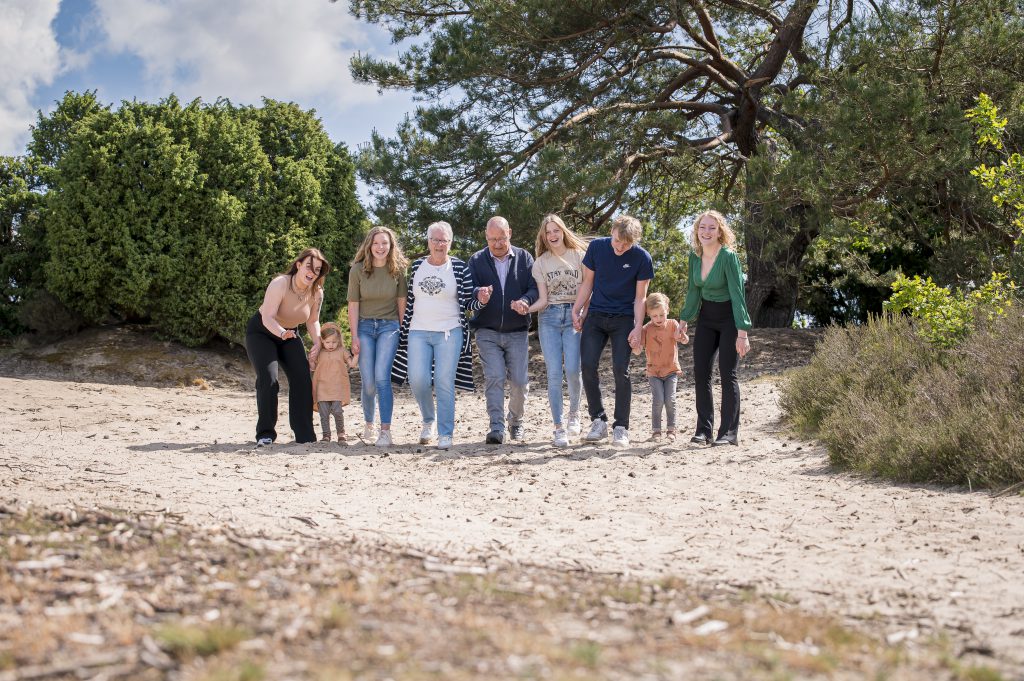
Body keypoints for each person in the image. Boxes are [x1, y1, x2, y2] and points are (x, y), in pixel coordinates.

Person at [391, 221, 484, 450]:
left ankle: (445, 433)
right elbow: (410, 301)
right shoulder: (416, 267)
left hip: (449, 332)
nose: (439, 244)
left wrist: (481, 298)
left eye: (444, 240)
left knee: (444, 381)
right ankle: (428, 419)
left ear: (450, 243)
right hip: (418, 331)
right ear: (428, 242)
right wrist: (404, 329)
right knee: (417, 379)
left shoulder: (460, 267)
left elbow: (468, 302)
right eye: (435, 239)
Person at [571, 215, 654, 448]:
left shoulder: (641, 257)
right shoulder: (597, 247)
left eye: (626, 244)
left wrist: (638, 326)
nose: (620, 247)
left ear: (634, 242)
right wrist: (577, 310)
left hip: (624, 318)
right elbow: (587, 283)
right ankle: (598, 420)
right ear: (612, 232)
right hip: (596, 315)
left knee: (620, 368)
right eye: (617, 241)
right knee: (587, 365)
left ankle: (621, 426)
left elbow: (640, 297)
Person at [678, 210, 752, 446]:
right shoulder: (694, 256)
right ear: (696, 231)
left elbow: (738, 295)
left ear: (720, 231)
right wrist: (684, 319)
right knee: (701, 372)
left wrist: (743, 332)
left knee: (727, 373)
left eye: (712, 227)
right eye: (702, 227)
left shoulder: (728, 256)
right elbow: (693, 290)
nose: (706, 232)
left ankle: (728, 433)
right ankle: (704, 431)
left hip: (729, 317)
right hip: (706, 318)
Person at [244, 248, 330, 446]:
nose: (313, 272)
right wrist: (281, 332)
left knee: (302, 379)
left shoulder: (316, 292)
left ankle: (305, 436)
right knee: (269, 378)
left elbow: (312, 321)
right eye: (309, 266)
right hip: (262, 332)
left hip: (290, 334)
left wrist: (317, 343)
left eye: (317, 269)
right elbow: (267, 317)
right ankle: (265, 434)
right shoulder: (280, 283)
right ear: (299, 265)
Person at [467, 216, 539, 444]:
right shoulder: (477, 260)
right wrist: (479, 294)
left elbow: (534, 287)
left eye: (501, 238)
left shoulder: (524, 257)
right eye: (492, 239)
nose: (497, 244)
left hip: (517, 330)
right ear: (486, 237)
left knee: (519, 381)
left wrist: (526, 301)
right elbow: (468, 290)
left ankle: (516, 422)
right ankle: (496, 427)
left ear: (510, 233)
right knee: (495, 377)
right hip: (486, 331)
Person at [526, 214, 588, 447]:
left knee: (573, 369)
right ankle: (558, 427)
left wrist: (582, 313)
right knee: (553, 374)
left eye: (556, 231)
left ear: (563, 232)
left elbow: (587, 290)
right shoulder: (540, 262)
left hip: (574, 313)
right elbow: (542, 300)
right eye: (548, 232)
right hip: (549, 317)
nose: (552, 235)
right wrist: (526, 310)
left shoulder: (579, 257)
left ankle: (574, 413)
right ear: (544, 236)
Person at [347, 225, 408, 448]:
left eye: (385, 243)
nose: (380, 247)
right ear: (369, 246)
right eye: (376, 243)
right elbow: (353, 305)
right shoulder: (357, 271)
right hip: (364, 327)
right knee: (369, 382)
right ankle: (369, 425)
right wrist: (354, 336)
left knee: (382, 377)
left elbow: (402, 303)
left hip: (389, 327)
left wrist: (403, 334)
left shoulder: (398, 270)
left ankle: (385, 431)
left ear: (391, 246)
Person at [633, 292, 687, 441]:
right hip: (654, 371)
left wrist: (683, 336)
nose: (658, 319)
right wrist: (633, 345)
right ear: (648, 314)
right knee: (658, 400)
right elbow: (638, 351)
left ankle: (671, 430)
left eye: (661, 315)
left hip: (671, 370)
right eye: (654, 316)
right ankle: (656, 431)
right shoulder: (645, 329)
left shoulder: (673, 324)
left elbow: (684, 340)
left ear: (667, 310)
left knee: (670, 400)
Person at [310, 322, 357, 442]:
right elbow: (312, 367)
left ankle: (341, 433)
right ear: (322, 341)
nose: (331, 345)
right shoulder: (319, 352)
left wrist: (356, 354)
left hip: (337, 387)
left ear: (339, 340)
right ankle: (326, 435)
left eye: (334, 342)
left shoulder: (342, 351)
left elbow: (352, 364)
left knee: (337, 411)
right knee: (324, 414)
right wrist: (311, 358)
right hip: (322, 387)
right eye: (327, 342)